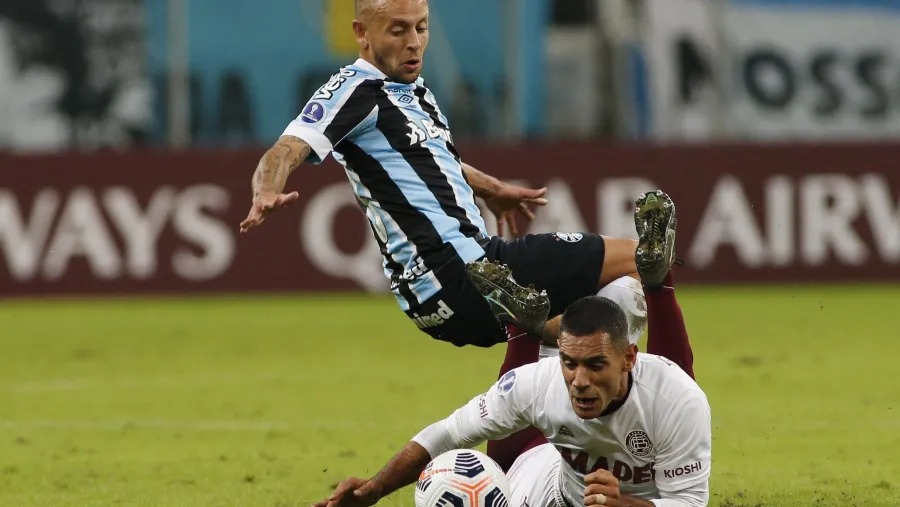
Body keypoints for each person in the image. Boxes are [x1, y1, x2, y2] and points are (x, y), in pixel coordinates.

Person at [238, 0, 676, 350]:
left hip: (436, 296)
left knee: (569, 331)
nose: (414, 42)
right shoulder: (354, 91)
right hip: (464, 271)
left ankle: (551, 392)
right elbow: (285, 149)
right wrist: (266, 191)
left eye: (421, 27)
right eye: (398, 30)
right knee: (645, 260)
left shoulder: (411, 92)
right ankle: (649, 384)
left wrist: (491, 189)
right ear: (362, 33)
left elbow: (428, 160)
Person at [314, 294, 711, 507]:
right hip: (551, 492)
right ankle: (523, 329)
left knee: (627, 295)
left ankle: (658, 284)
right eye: (569, 363)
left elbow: (689, 503)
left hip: (644, 502)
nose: (579, 381)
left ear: (628, 358)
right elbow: (449, 433)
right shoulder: (542, 381)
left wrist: (623, 504)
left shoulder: (678, 399)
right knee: (507, 445)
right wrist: (373, 490)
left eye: (595, 365)